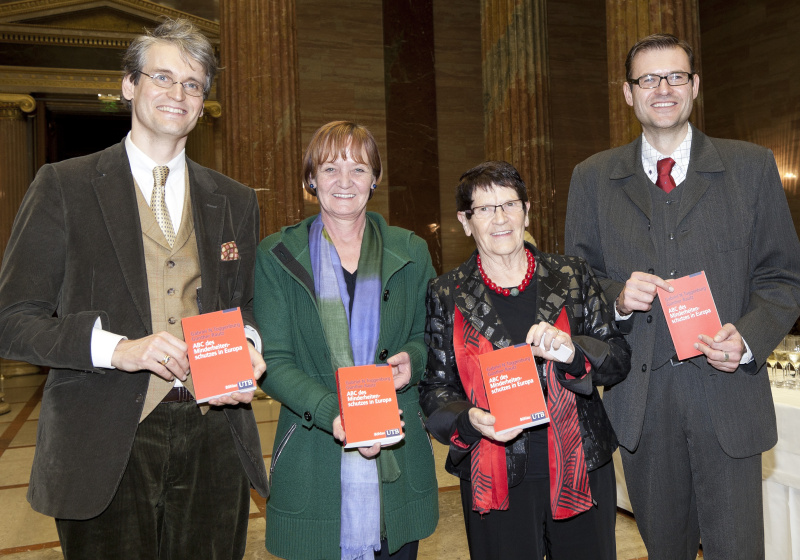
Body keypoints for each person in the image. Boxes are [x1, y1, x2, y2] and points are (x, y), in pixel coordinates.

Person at [0, 18, 268, 558]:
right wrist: (117, 350)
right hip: (102, 437)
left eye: (193, 85)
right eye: (162, 77)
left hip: (213, 434)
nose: (177, 94)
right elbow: (12, 319)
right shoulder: (65, 185)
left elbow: (246, 306)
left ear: (203, 102)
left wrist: (252, 349)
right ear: (129, 85)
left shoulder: (234, 199)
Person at [564, 33, 800, 560]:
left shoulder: (752, 168)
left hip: (729, 399)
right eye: (648, 79)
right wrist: (619, 298)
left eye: (675, 76)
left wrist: (747, 337)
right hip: (644, 406)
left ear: (695, 86)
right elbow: (579, 286)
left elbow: (783, 278)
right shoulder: (593, 179)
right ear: (628, 94)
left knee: (738, 551)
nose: (662, 89)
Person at [419, 160, 631, 560]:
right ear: (466, 222)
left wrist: (572, 352)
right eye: (485, 209)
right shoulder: (446, 293)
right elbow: (434, 388)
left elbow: (618, 358)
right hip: (495, 472)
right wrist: (469, 419)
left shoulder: (572, 274)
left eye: (509, 205)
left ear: (527, 211)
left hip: (580, 465)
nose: (500, 219)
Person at [254, 120, 439, 560]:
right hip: (315, 449)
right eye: (330, 168)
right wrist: (336, 411)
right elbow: (274, 362)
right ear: (310, 179)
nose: (344, 181)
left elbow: (432, 337)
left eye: (358, 169)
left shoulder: (410, 250)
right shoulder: (277, 255)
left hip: (399, 447)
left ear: (375, 180)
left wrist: (414, 359)